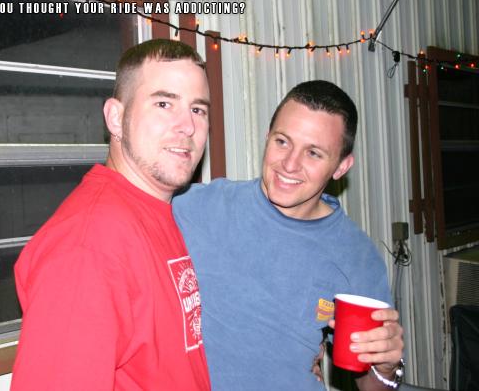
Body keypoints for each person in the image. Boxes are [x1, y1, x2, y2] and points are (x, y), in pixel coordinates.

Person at [173, 80, 404, 390]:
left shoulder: (357, 257)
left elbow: (371, 386)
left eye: (314, 153)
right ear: (267, 137)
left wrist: (386, 369)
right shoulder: (198, 206)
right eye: (282, 141)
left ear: (341, 167)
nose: (290, 164)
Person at [11, 39, 212, 390]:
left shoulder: (152, 210)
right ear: (116, 118)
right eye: (164, 103)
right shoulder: (88, 245)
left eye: (198, 109)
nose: (188, 126)